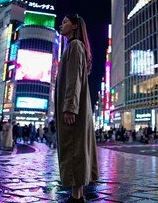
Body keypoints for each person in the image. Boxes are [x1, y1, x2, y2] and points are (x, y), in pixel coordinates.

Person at [56, 14, 98, 203]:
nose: (61, 24)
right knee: (77, 148)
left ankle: (75, 197)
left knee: (73, 147)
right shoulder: (75, 47)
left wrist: (70, 107)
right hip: (77, 107)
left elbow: (73, 79)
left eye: (65, 22)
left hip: (74, 108)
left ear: (74, 26)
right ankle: (78, 196)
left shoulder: (74, 46)